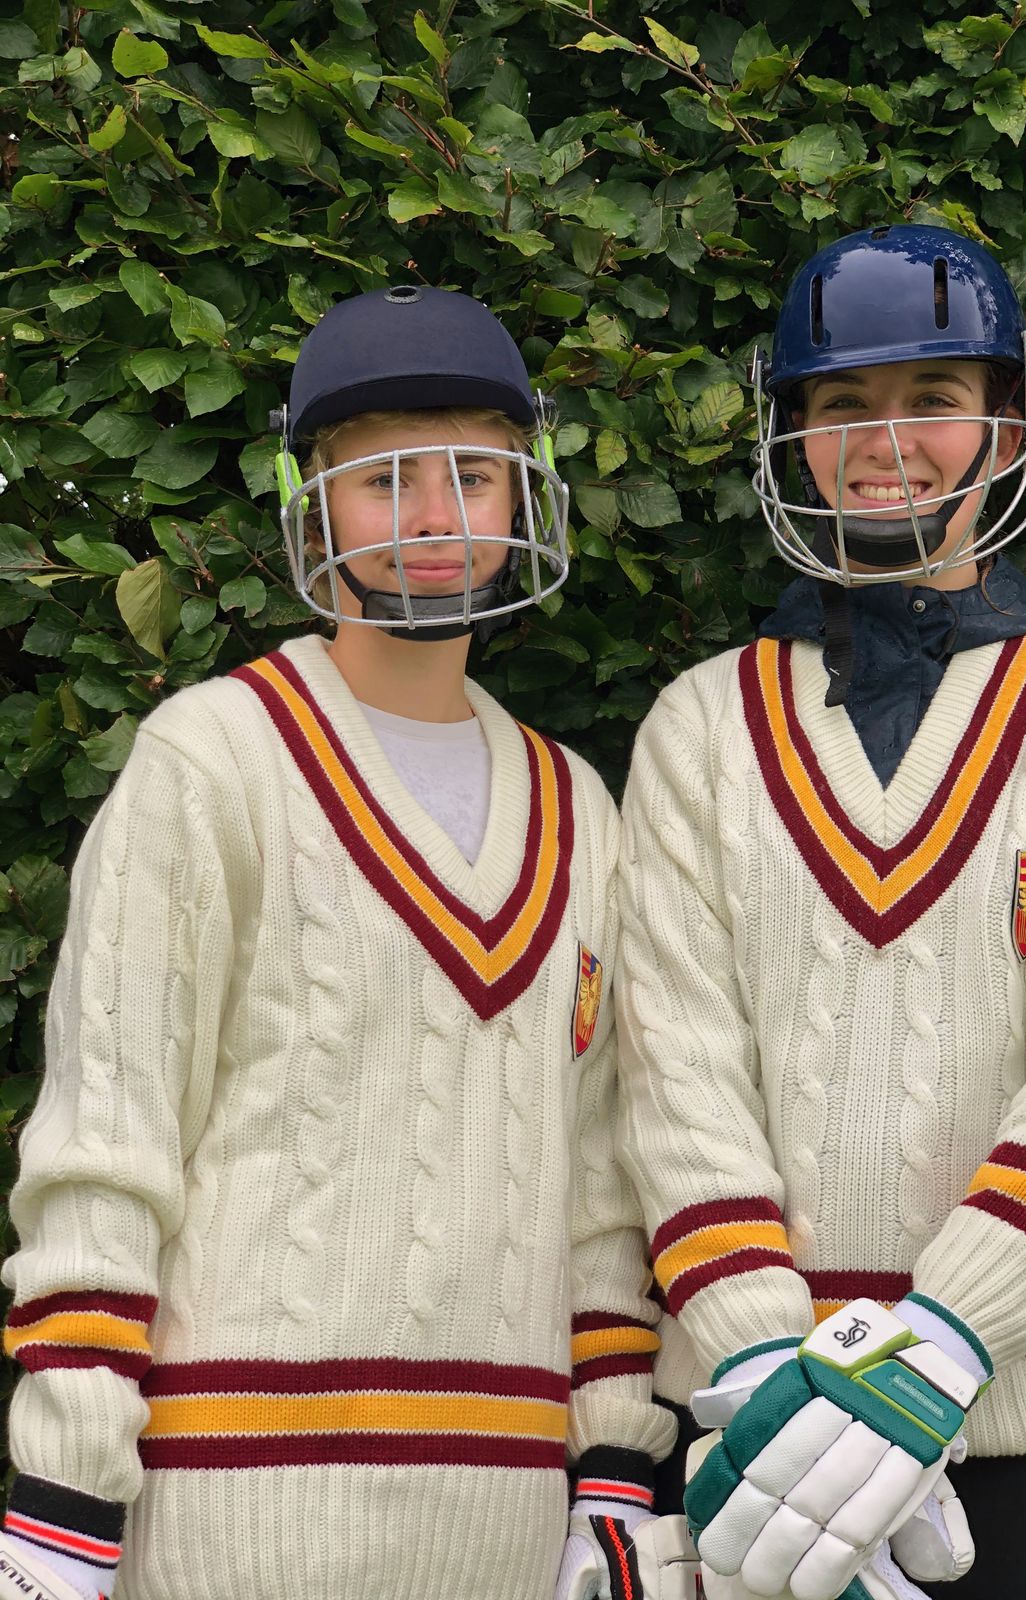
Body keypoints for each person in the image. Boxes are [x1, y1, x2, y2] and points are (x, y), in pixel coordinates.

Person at [0, 284, 676, 1600]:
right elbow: (106, 1147)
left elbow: (603, 1194)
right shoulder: (212, 761)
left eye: (473, 472)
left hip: (504, 1527)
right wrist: (63, 1492)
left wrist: (612, 1475)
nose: (432, 516)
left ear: (521, 495)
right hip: (225, 1514)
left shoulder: (580, 808)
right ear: (313, 502)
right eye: (383, 480)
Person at [616, 225, 1026, 1600]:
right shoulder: (700, 727)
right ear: (793, 436)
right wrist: (774, 1378)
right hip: (762, 1440)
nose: (891, 440)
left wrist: (935, 1352)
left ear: (1004, 423)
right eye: (843, 407)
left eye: (933, 400)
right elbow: (672, 1083)